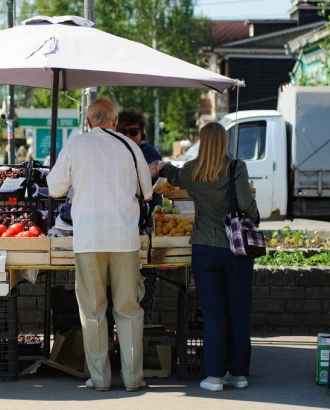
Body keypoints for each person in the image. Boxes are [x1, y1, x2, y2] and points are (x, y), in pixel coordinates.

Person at [47, 98, 153, 392]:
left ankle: (100, 378)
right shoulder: (132, 148)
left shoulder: (75, 145)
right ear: (115, 120)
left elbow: (55, 188)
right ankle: (133, 378)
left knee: (92, 311)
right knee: (129, 310)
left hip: (88, 238)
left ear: (89, 120)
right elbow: (146, 193)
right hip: (125, 238)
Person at [157, 122, 259, 392]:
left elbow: (173, 176)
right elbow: (247, 203)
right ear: (224, 141)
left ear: (202, 141)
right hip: (236, 250)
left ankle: (213, 377)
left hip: (204, 247)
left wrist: (160, 165)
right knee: (238, 312)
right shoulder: (236, 167)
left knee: (212, 314)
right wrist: (255, 217)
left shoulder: (192, 170)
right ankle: (238, 375)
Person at [117, 108, 163, 326]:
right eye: (122, 131)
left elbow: (154, 175)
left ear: (141, 133)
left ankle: (143, 336)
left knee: (145, 288)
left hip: (144, 231)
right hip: (117, 233)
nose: (128, 136)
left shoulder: (148, 152)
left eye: (133, 131)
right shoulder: (111, 151)